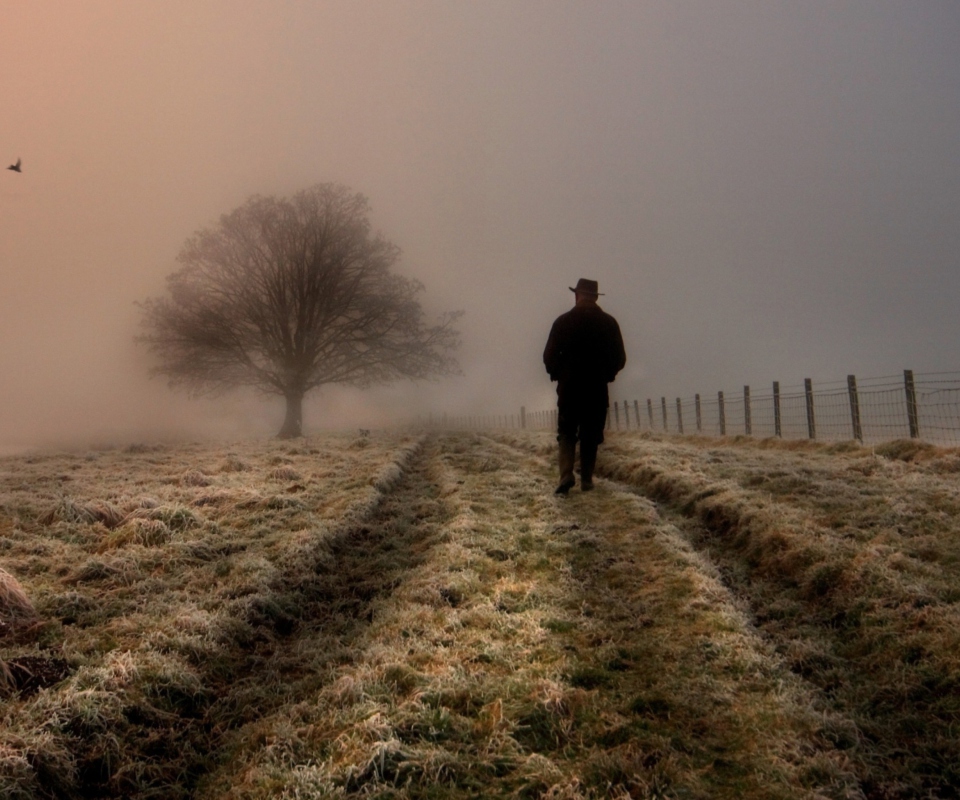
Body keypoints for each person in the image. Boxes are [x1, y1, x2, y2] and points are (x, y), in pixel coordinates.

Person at [543, 278, 626, 494]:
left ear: (577, 295)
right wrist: (608, 374)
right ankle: (587, 480)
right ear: (596, 297)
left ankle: (566, 475)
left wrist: (556, 373)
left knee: (567, 432)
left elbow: (549, 356)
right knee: (591, 434)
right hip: (596, 389)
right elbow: (620, 358)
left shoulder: (562, 322)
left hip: (569, 389)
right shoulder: (609, 323)